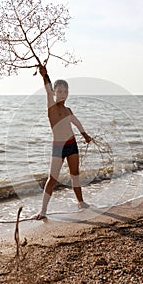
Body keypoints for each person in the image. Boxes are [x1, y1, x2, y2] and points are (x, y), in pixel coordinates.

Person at [35, 65, 92, 220]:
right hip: (58, 147)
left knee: (75, 175)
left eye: (65, 91)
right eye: (59, 91)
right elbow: (47, 90)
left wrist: (85, 134)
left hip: (72, 145)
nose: (62, 94)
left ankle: (81, 202)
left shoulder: (68, 110)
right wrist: (45, 76)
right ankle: (43, 211)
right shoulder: (51, 107)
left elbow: (77, 122)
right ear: (54, 92)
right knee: (52, 179)